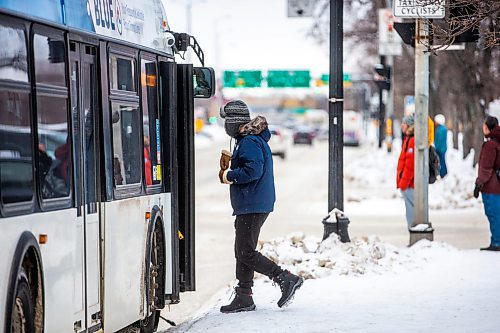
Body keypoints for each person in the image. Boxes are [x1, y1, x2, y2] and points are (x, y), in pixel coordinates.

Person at [218, 100, 303, 313]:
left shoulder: (249, 142)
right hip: (252, 202)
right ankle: (244, 296)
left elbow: (253, 171)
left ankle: (285, 278)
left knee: (245, 251)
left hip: (252, 203)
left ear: (233, 122)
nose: (225, 126)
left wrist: (229, 175)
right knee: (243, 250)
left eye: (226, 121)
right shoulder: (248, 140)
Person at [473, 116, 500, 251]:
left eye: (484, 126)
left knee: (493, 213)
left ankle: (496, 242)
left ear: (488, 128)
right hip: (497, 185)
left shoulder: (490, 145)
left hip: (491, 187)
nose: (482, 129)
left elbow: (486, 168)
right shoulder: (497, 141)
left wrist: (479, 184)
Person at [397, 114, 415, 229]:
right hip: (408, 183)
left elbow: (410, 166)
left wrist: (403, 183)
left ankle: (413, 232)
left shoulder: (411, 141)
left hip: (410, 184)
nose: (401, 126)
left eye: (403, 123)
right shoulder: (407, 139)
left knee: (411, 210)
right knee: (410, 209)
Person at [434, 114, 448, 178]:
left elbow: (439, 139)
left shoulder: (440, 129)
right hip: (442, 148)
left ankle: (443, 173)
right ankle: (443, 172)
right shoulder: (442, 128)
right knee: (442, 161)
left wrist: (436, 147)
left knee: (441, 161)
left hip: (440, 149)